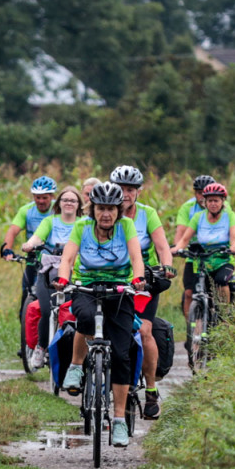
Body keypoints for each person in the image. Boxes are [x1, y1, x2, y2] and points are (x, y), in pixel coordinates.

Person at [56, 182, 146, 448]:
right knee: (83, 319)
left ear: (118, 210)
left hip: (120, 290)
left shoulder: (126, 227)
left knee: (120, 354)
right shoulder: (82, 227)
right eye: (100, 208)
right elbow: (68, 259)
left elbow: (136, 256)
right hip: (87, 287)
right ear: (92, 209)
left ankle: (118, 420)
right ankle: (75, 367)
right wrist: (63, 278)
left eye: (110, 209)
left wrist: (138, 277)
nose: (105, 214)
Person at [109, 165, 174, 420]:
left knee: (144, 330)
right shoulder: (106, 213)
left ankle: (150, 390)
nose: (125, 194)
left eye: (130, 189)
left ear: (138, 192)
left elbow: (162, 246)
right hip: (113, 279)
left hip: (143, 282)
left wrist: (166, 265)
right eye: (121, 189)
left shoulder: (148, 214)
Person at [21, 185, 85, 369]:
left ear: (78, 204)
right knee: (46, 309)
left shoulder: (83, 223)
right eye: (65, 200)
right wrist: (30, 244)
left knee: (73, 312)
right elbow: (38, 238)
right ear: (59, 203)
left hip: (75, 272)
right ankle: (41, 347)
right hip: (49, 272)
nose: (68, 203)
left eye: (72, 200)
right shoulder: (50, 221)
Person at [2, 176, 57, 344]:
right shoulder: (26, 210)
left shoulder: (57, 211)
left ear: (52, 196)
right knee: (26, 297)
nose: (40, 201)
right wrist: (7, 249)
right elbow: (12, 231)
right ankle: (28, 342)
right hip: (34, 259)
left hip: (55, 259)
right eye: (37, 197)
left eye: (44, 197)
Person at [171, 182, 235, 307]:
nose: (213, 204)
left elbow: (234, 237)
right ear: (205, 202)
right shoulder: (198, 217)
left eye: (216, 200)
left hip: (223, 261)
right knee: (193, 291)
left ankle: (225, 315)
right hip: (201, 262)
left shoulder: (229, 216)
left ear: (223, 201)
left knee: (221, 281)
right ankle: (194, 324)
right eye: (210, 201)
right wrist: (176, 250)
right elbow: (184, 240)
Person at [175, 174, 217, 326]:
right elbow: (181, 233)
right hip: (194, 255)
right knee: (189, 293)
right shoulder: (188, 208)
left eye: (205, 192)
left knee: (217, 291)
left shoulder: (220, 207)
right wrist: (177, 248)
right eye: (199, 192)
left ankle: (222, 319)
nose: (202, 196)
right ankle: (191, 329)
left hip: (215, 255)